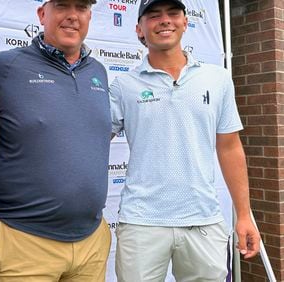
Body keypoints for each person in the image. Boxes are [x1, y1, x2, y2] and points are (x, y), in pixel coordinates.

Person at [109, 0, 261, 280]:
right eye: (153, 16)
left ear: (185, 22)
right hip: (141, 222)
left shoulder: (218, 79)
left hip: (203, 221)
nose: (164, 20)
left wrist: (243, 215)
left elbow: (229, 147)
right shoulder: (123, 86)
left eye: (173, 13)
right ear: (139, 30)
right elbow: (91, 141)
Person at [0, 0, 112, 281]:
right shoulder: (6, 67)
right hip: (24, 243)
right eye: (62, 6)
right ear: (42, 14)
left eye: (81, 7)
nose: (72, 16)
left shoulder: (97, 71)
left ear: (89, 15)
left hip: (91, 243)